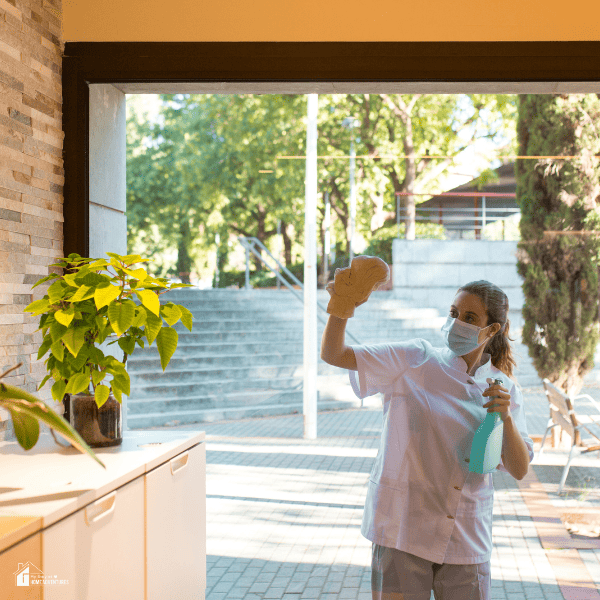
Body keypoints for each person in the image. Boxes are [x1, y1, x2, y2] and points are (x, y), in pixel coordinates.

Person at [321, 278, 534, 600]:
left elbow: (519, 469)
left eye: (470, 318)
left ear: (492, 330)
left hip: (466, 535)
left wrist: (504, 418)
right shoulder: (414, 358)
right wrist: (341, 307)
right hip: (402, 527)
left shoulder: (504, 387)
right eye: (454, 312)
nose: (456, 323)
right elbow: (334, 353)